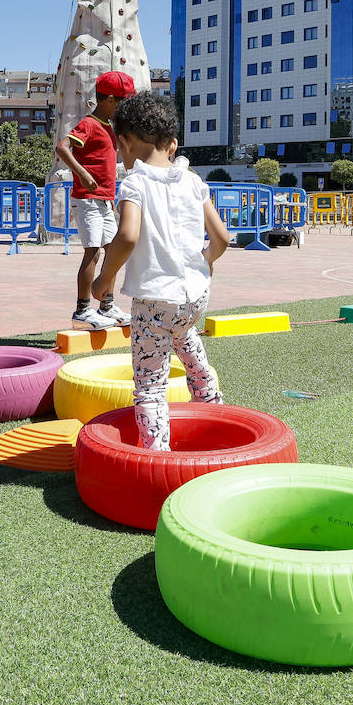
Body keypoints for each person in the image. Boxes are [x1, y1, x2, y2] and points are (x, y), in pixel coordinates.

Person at [91, 93, 231, 450]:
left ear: (124, 141)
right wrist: (206, 261)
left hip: (155, 300)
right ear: (172, 143)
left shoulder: (135, 184)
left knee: (151, 388)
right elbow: (222, 238)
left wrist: (105, 280)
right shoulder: (192, 180)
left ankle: (157, 455)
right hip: (195, 298)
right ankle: (213, 408)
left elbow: (126, 236)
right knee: (183, 335)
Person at [54, 70, 135, 330]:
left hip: (103, 200)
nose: (124, 109)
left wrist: (109, 197)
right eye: (123, 102)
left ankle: (107, 305)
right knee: (93, 253)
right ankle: (82, 309)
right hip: (88, 199)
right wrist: (83, 173)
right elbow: (62, 147)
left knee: (113, 251)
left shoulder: (108, 127)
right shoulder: (89, 124)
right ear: (109, 99)